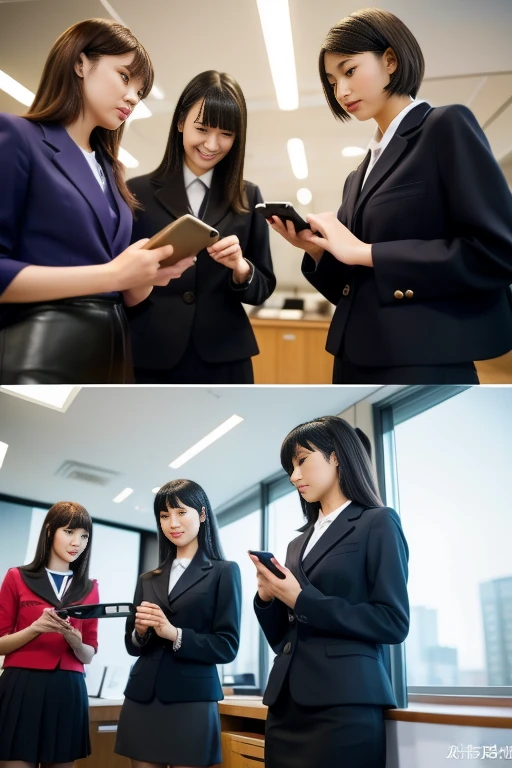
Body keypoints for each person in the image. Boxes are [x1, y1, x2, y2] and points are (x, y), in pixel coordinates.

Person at [266, 7, 512, 384]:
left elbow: (495, 252)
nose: (341, 91)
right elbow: (354, 288)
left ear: (391, 60)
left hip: (424, 358)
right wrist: (317, 249)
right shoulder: (359, 175)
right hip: (354, 355)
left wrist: (363, 251)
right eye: (332, 82)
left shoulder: (445, 126)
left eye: (349, 71)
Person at [0, 18, 195, 384]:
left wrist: (144, 277)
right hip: (42, 348)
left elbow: (121, 289)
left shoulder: (111, 169)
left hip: (112, 351)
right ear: (80, 63)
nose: (134, 98)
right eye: (125, 77)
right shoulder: (19, 137)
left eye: (140, 90)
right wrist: (114, 274)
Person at [251, 416, 409, 768]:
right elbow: (285, 639)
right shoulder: (297, 544)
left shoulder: (377, 521)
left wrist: (300, 598)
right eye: (290, 468)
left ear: (336, 456)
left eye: (302, 460)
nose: (293, 476)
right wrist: (268, 598)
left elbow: (393, 622)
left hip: (344, 704)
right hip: (286, 705)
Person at [127, 70, 276, 384]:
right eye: (202, 129)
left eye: (226, 133)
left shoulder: (248, 195)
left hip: (226, 355)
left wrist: (240, 267)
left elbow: (263, 285)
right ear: (181, 123)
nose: (212, 144)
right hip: (152, 351)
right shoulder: (135, 193)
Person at [115, 479, 242, 768]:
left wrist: (173, 634)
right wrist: (141, 632)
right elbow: (131, 645)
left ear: (202, 514)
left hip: (192, 699)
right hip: (143, 695)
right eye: (164, 515)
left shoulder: (224, 571)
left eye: (181, 512)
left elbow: (227, 646)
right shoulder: (148, 578)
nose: (172, 522)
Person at [0, 501, 98, 767]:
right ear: (49, 531)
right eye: (69, 532)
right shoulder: (16, 577)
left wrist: (75, 641)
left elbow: (88, 654)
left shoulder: (89, 588)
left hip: (68, 688)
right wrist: (35, 629)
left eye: (84, 536)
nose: (76, 542)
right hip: (22, 685)